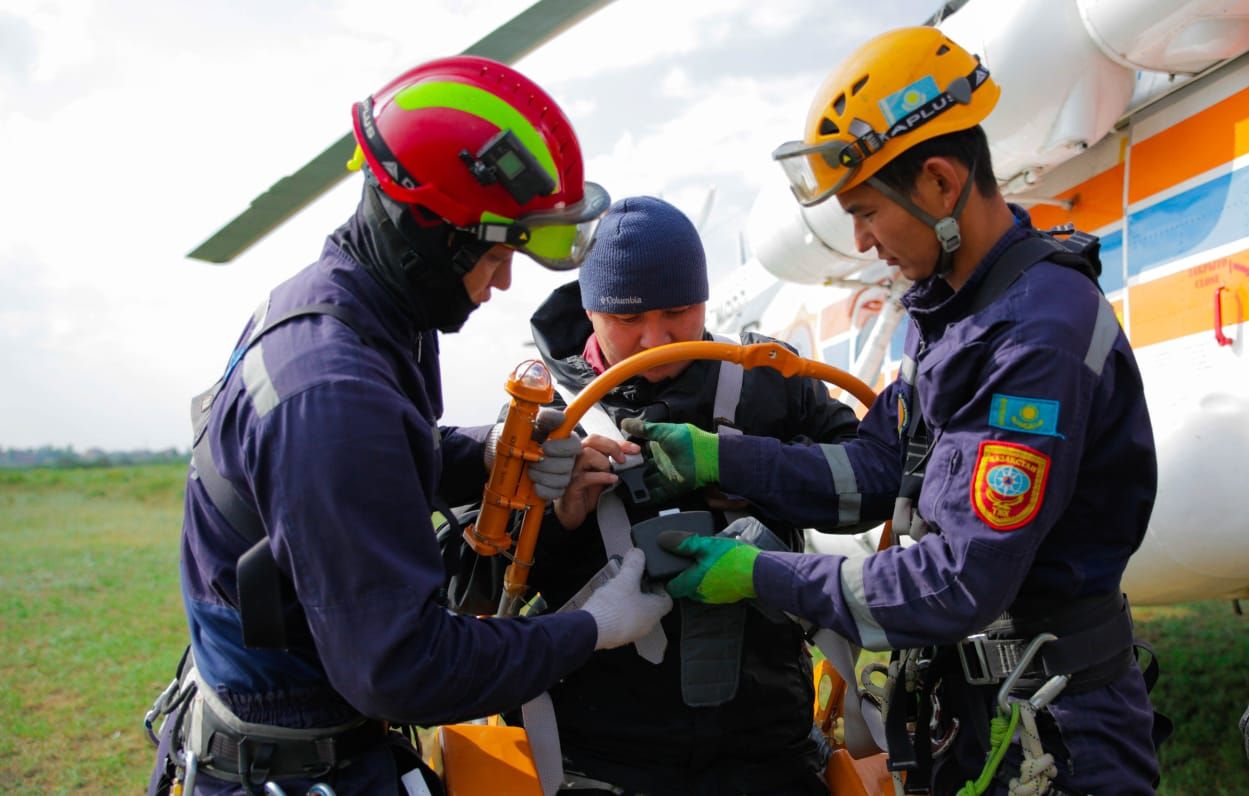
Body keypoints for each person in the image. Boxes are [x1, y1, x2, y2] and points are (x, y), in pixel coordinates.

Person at [629, 27, 1162, 794]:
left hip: (1058, 735)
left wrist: (761, 575)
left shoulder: (1037, 336)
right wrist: (720, 456)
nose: (861, 240)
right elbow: (874, 468)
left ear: (941, 185)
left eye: (865, 211)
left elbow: (957, 584)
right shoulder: (956, 315)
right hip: (975, 716)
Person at [146, 56, 671, 796]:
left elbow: (384, 455)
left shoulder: (355, 307)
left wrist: (486, 455)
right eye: (495, 253)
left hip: (301, 709)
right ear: (429, 238)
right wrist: (589, 628)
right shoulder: (329, 391)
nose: (505, 281)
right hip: (297, 756)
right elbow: (402, 668)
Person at [510, 196, 860, 795]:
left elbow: (865, 481)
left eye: (677, 312)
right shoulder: (538, 417)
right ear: (590, 311)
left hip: (768, 745)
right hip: (603, 760)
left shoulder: (767, 383)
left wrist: (746, 464)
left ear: (704, 298)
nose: (654, 339)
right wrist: (560, 517)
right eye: (627, 319)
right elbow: (488, 589)